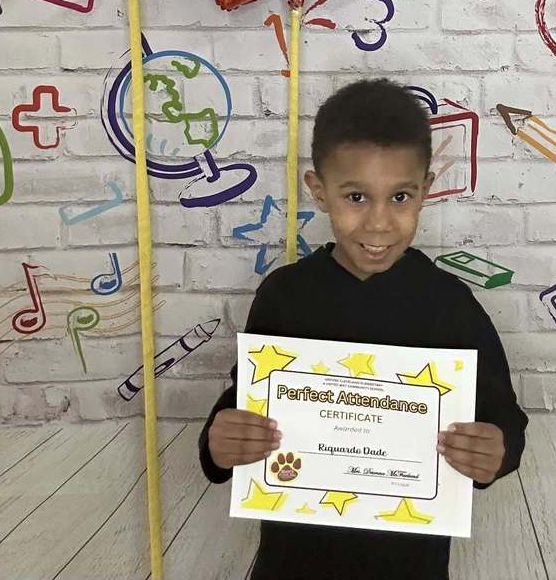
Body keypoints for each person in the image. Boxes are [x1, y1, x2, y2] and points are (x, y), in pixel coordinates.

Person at [199, 78, 528, 580]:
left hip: (409, 567)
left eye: (400, 197)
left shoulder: (450, 305)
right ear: (319, 192)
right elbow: (246, 401)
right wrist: (218, 441)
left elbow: (506, 421)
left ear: (426, 190)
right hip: (292, 564)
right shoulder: (285, 296)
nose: (379, 223)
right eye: (356, 197)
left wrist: (495, 452)